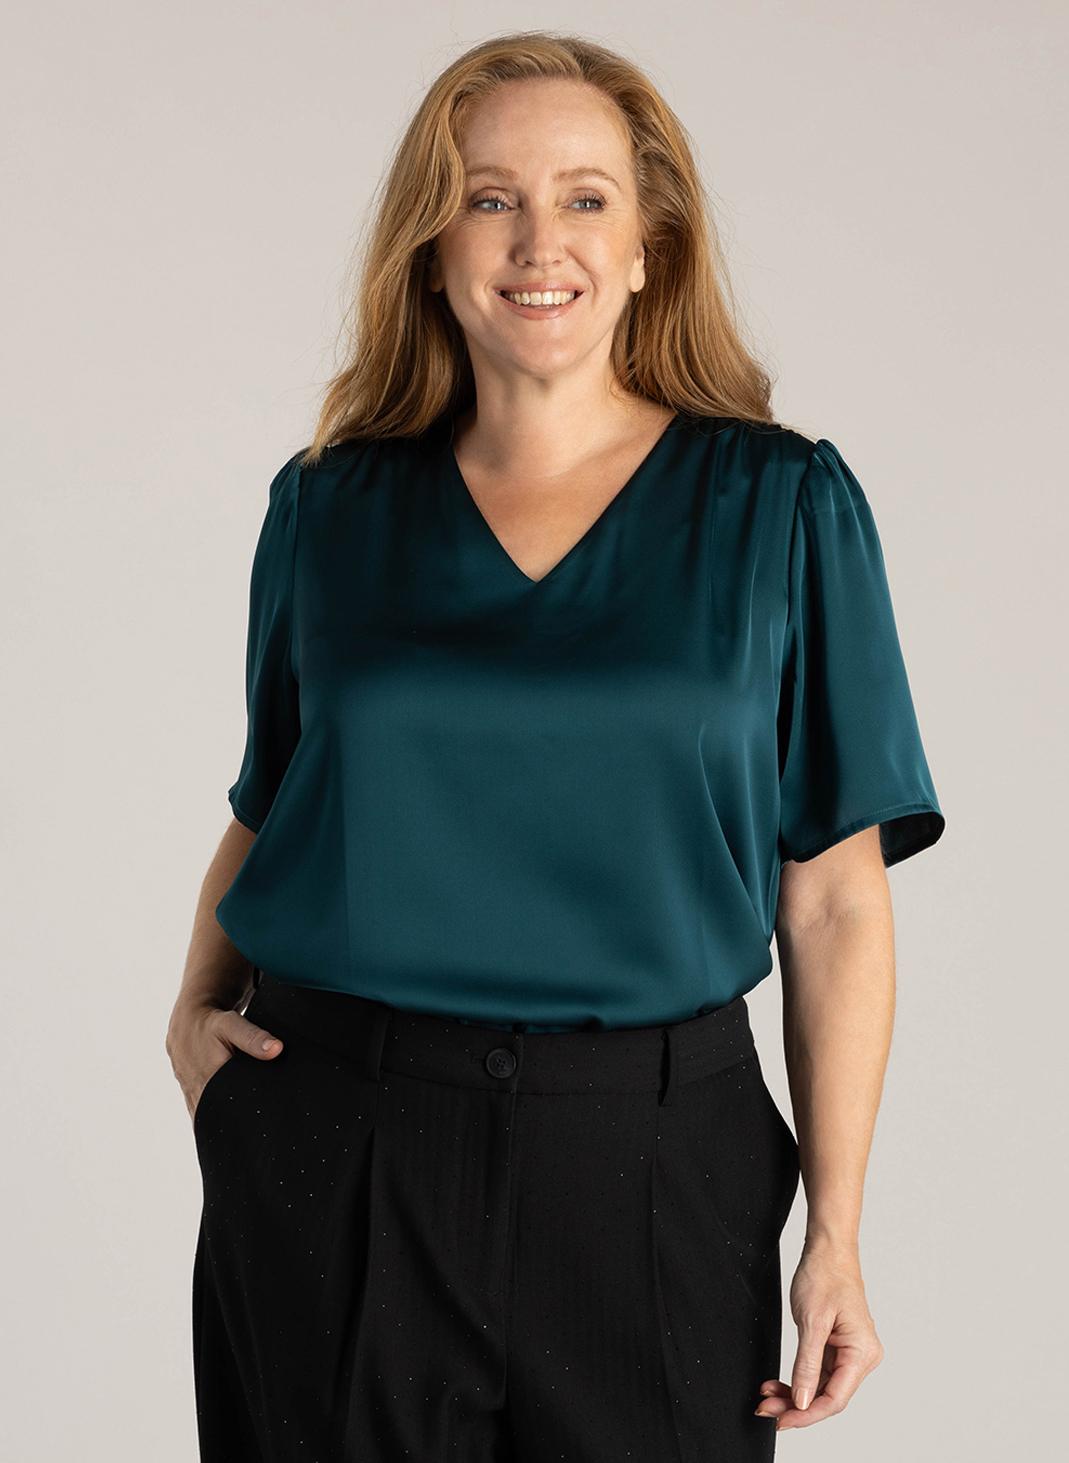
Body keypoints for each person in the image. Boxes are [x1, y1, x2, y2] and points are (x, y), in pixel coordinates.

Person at [165, 30, 946, 1463]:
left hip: (653, 1164)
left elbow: (835, 895)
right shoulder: (329, 509)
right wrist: (192, 1005)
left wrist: (836, 1231)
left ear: (649, 247)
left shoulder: (780, 507)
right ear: (432, 248)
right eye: (490, 199)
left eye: (586, 198)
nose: (540, 242)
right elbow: (278, 796)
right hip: (340, 1152)